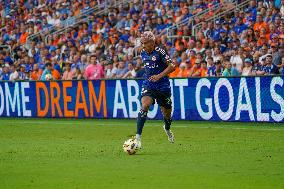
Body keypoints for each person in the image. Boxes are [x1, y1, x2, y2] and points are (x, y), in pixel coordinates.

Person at [135, 31, 175, 149]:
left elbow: (172, 66)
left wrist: (159, 76)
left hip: (163, 86)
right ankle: (137, 138)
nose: (143, 45)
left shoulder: (160, 51)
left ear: (152, 42)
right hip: (149, 84)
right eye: (142, 43)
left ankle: (167, 128)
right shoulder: (142, 52)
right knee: (145, 105)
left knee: (167, 114)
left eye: (145, 43)